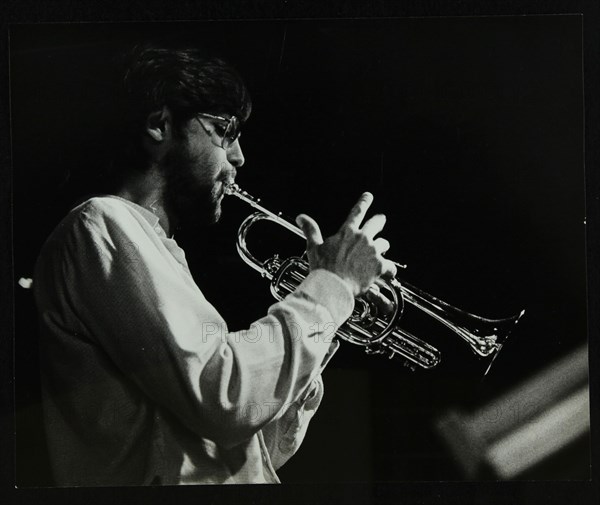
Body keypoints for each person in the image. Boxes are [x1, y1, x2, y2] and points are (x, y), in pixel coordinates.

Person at [32, 43, 396, 486]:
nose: (238, 157)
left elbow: (248, 453)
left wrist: (328, 308)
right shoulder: (103, 223)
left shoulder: (154, 245)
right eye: (225, 130)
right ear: (159, 124)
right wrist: (329, 288)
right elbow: (224, 397)